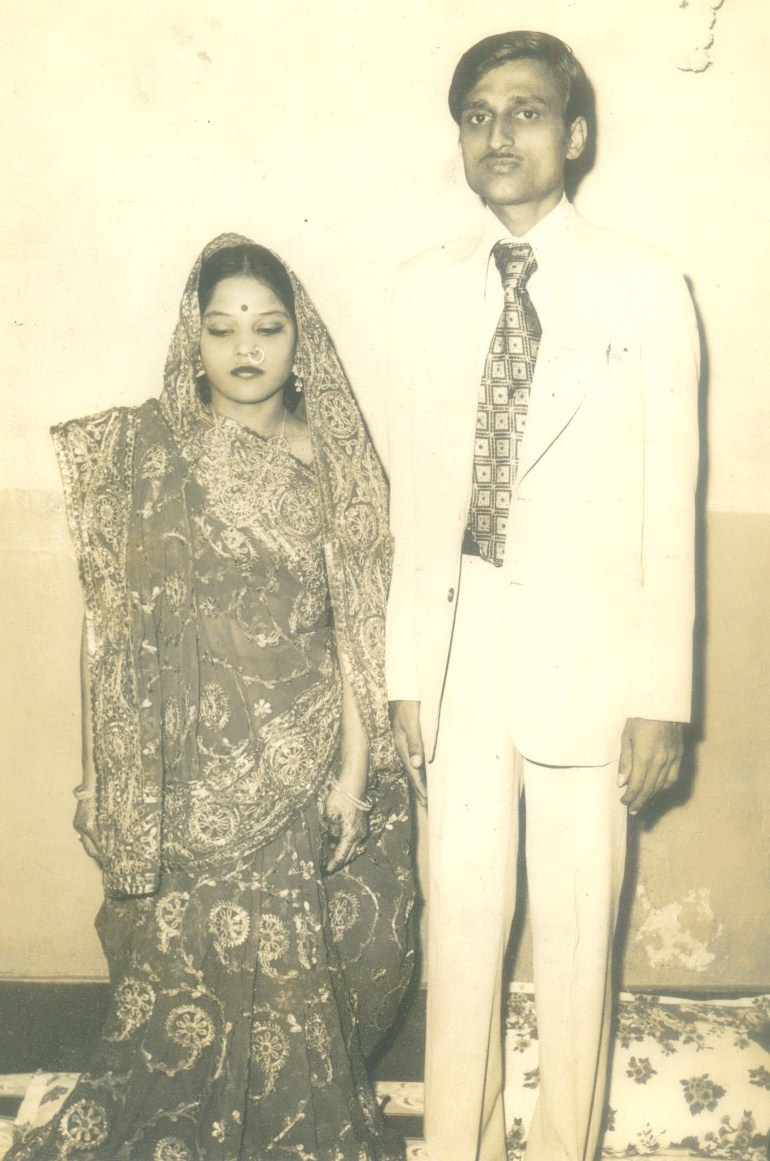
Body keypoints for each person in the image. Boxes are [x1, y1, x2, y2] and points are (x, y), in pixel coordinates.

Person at [10, 235, 414, 1161]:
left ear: (300, 342)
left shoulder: (337, 461)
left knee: (297, 983)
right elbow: (110, 630)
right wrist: (99, 776)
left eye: (267, 327)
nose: (245, 347)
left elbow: (359, 630)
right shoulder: (149, 453)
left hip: (304, 753)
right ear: (192, 341)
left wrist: (352, 778)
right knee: (178, 986)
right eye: (222, 327)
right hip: (179, 770)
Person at [385, 31, 699, 1161]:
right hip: (457, 660)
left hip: (592, 668)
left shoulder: (644, 284)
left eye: (524, 111)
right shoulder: (421, 288)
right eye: (477, 114)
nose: (498, 134)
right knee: (459, 932)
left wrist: (660, 696)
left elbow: (669, 504)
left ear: (573, 134)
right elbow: (414, 503)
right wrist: (407, 674)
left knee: (575, 939)